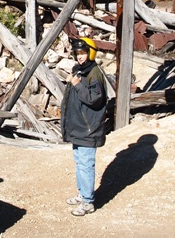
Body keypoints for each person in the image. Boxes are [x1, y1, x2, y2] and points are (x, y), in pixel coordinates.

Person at [61, 37, 107, 216]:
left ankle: (88, 202)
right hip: (78, 126)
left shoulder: (94, 73)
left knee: (86, 164)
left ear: (90, 53)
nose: (80, 57)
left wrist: (77, 85)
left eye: (83, 53)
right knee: (80, 162)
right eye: (78, 53)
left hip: (89, 128)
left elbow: (95, 99)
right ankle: (83, 194)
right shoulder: (78, 70)